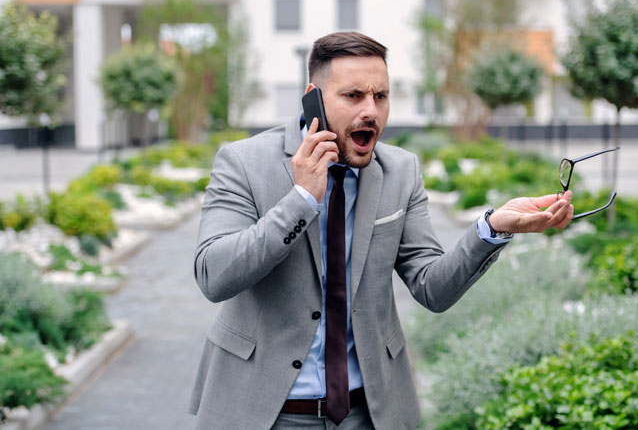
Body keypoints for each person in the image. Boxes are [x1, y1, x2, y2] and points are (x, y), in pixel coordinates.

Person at [187, 32, 574, 430]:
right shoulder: (243, 162)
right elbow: (214, 277)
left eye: (381, 96)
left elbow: (432, 288)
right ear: (313, 97)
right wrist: (300, 198)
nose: (371, 111)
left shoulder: (401, 172)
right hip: (262, 412)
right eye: (353, 96)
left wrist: (491, 228)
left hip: (368, 414)